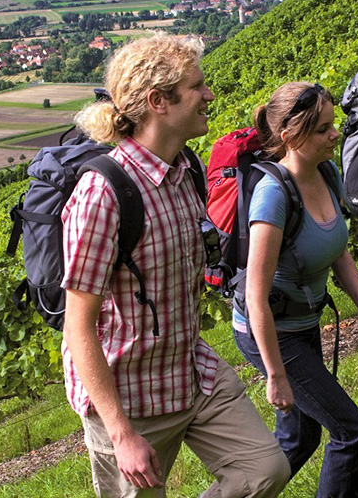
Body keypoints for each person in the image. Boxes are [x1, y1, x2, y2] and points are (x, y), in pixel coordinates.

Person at [62, 34, 289, 497]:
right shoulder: (103, 193)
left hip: (190, 371)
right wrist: (122, 435)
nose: (209, 95)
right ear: (159, 101)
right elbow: (78, 328)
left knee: (264, 469)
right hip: (129, 397)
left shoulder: (188, 169)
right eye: (197, 87)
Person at [232, 82, 358, 497]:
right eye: (323, 129)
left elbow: (339, 252)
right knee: (352, 432)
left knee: (300, 439)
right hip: (271, 333)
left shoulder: (327, 173)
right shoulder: (272, 196)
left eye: (332, 124)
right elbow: (255, 298)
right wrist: (276, 375)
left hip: (301, 325)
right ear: (291, 137)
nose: (335, 134)